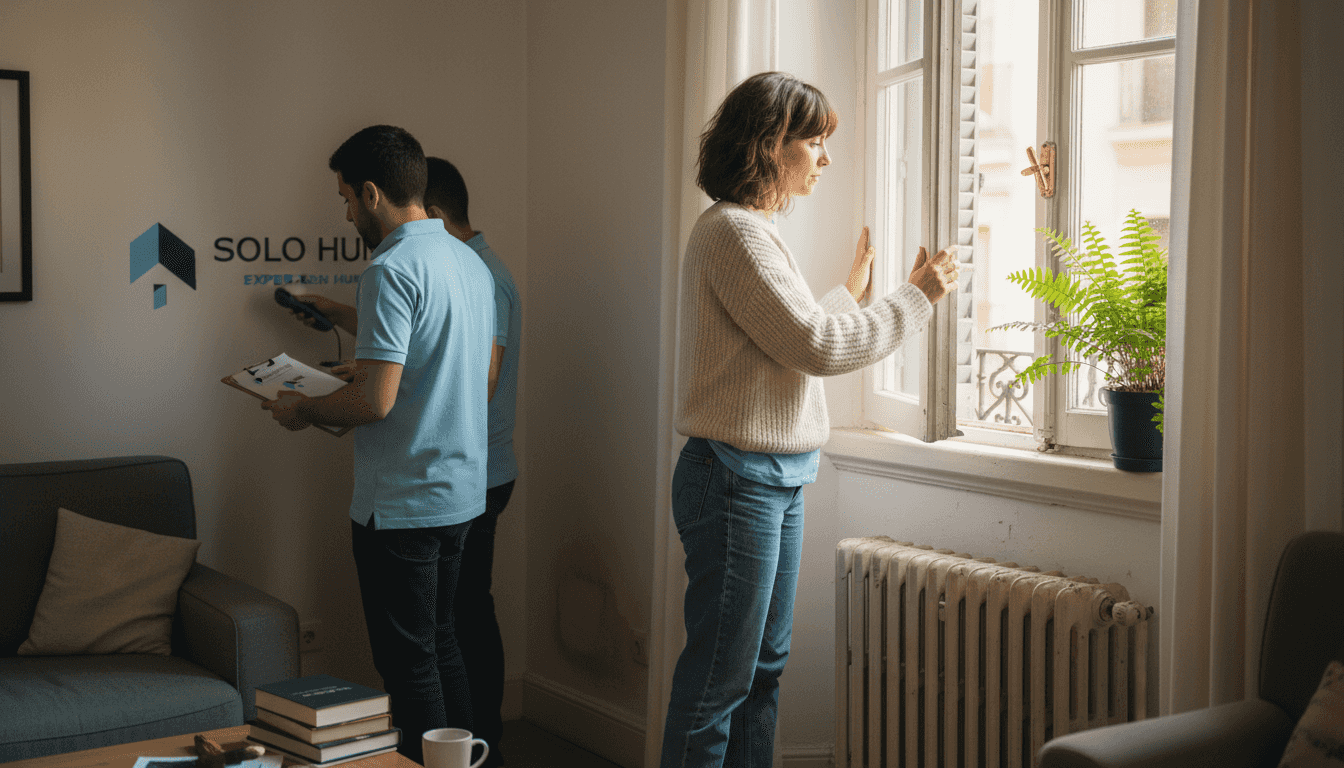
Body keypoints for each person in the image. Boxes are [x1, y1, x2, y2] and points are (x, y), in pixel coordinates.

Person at [661, 72, 959, 768]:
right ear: (772, 144)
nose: (825, 158)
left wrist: (849, 296)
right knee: (720, 683)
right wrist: (915, 298)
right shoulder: (732, 232)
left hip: (770, 477)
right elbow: (816, 346)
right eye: (815, 142)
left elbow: (782, 341)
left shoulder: (753, 232)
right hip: (735, 479)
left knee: (762, 673)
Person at [261, 125, 496, 765]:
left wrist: (303, 410)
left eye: (345, 199)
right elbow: (447, 370)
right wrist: (360, 375)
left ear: (371, 193)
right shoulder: (469, 263)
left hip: (402, 506)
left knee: (409, 665)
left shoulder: (390, 268)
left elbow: (376, 403)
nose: (346, 214)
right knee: (444, 645)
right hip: (459, 494)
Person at [423, 155, 521, 768]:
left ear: (433, 215)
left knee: (464, 617)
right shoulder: (471, 267)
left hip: (479, 476)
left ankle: (481, 740)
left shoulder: (483, 276)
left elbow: (480, 381)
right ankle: (475, 740)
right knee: (462, 614)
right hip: (478, 472)